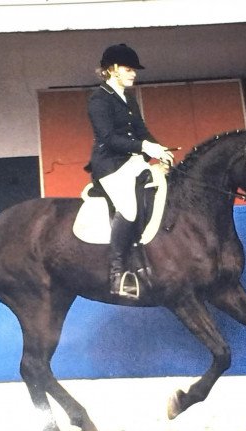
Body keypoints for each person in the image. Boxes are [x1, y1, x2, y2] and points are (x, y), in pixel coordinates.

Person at [84, 43, 174, 299]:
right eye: (128, 69)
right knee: (129, 207)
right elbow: (109, 138)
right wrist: (145, 146)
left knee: (162, 187)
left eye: (134, 70)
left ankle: (147, 259)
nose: (133, 74)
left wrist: (160, 150)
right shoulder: (98, 100)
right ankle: (117, 273)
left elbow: (142, 132)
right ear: (111, 70)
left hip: (133, 161)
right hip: (110, 165)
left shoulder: (129, 97)